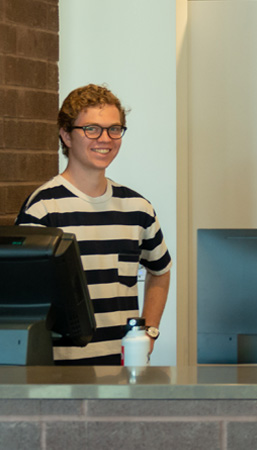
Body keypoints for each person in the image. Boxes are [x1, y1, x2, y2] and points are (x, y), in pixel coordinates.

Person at [16, 84, 172, 365]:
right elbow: (23, 299)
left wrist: (148, 332)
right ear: (66, 135)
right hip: (59, 374)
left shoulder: (138, 208)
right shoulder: (42, 210)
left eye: (114, 129)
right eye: (92, 129)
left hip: (125, 370)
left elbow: (160, 271)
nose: (106, 138)